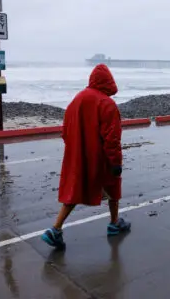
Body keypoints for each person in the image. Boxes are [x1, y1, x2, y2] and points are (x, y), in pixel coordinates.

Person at [42, 64, 130, 250]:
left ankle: (56, 229)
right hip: (100, 157)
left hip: (78, 155)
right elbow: (112, 138)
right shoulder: (106, 103)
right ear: (109, 81)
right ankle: (114, 224)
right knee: (113, 186)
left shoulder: (77, 99)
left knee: (75, 189)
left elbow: (66, 131)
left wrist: (77, 149)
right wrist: (115, 162)